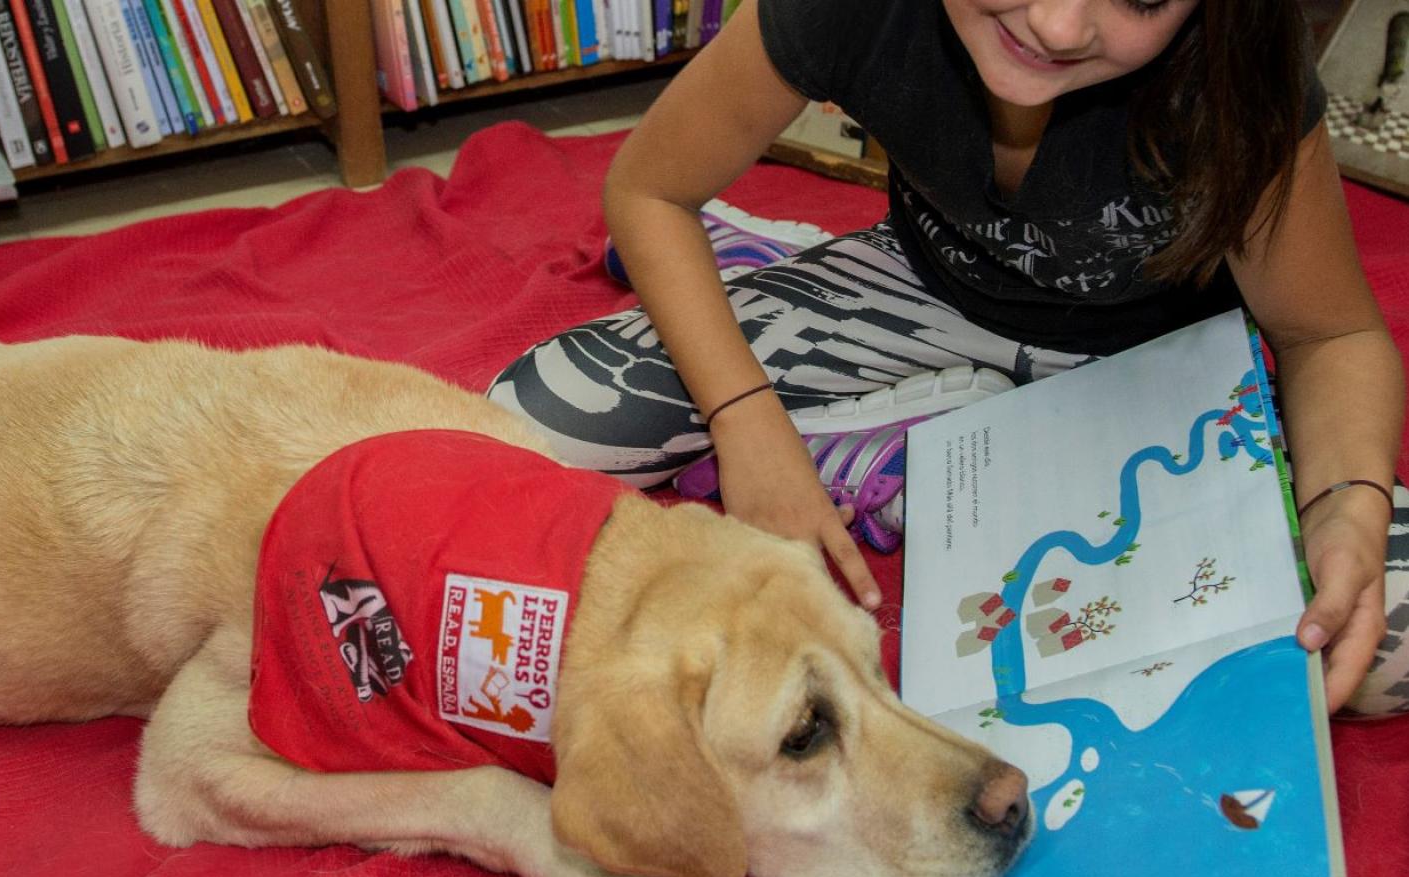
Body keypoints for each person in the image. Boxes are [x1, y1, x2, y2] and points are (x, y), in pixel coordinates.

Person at [487, 0, 1409, 715]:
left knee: (1375, 638)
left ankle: (917, 449)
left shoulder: (1239, 59)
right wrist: (748, 424)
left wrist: (1346, 505)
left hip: (1152, 368)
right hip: (927, 292)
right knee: (532, 416)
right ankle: (921, 443)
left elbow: (1330, 334)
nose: (1056, 25)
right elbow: (648, 189)